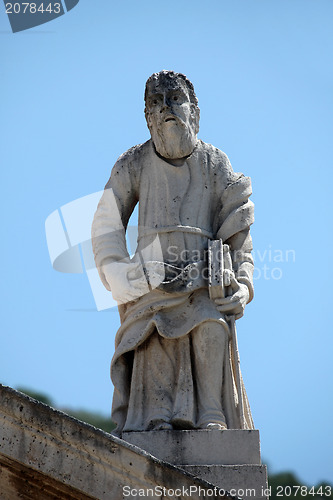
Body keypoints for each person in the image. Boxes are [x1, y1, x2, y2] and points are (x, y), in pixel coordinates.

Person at [92, 70, 255, 436]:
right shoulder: (132, 164)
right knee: (154, 336)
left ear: (194, 111)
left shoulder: (215, 164)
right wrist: (123, 276)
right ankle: (156, 421)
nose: (166, 108)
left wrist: (243, 286)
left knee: (211, 327)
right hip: (151, 283)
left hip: (202, 281)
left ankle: (211, 414)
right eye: (156, 103)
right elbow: (105, 225)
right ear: (148, 118)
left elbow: (238, 230)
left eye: (175, 99)